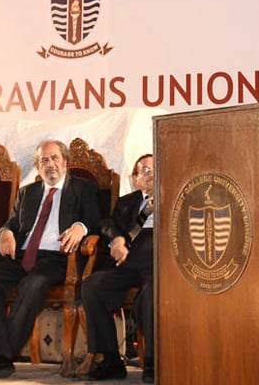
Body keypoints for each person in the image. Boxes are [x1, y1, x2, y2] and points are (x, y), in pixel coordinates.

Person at [0, 139, 101, 379]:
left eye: (54, 158)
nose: (50, 164)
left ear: (65, 162)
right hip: (23, 256)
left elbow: (96, 221)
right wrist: (5, 232)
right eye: (44, 160)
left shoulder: (83, 188)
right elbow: (12, 222)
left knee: (36, 281)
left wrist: (81, 227)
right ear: (38, 166)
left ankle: (0, 355)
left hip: (58, 258)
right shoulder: (26, 193)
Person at [75, 153, 155, 383]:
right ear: (135, 179)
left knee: (151, 294)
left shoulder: (174, 198)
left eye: (156, 169)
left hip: (159, 261)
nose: (152, 175)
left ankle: (153, 362)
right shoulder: (127, 202)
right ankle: (110, 360)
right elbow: (108, 225)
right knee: (93, 286)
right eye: (146, 171)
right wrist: (117, 240)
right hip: (127, 259)